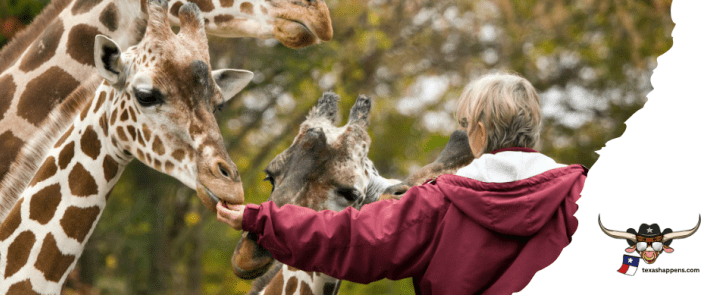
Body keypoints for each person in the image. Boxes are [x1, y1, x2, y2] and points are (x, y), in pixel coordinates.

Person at [217, 72, 587, 295]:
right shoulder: (585, 196)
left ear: (479, 131)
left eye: (464, 122)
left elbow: (351, 238)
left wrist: (258, 219)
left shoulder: (439, 204)